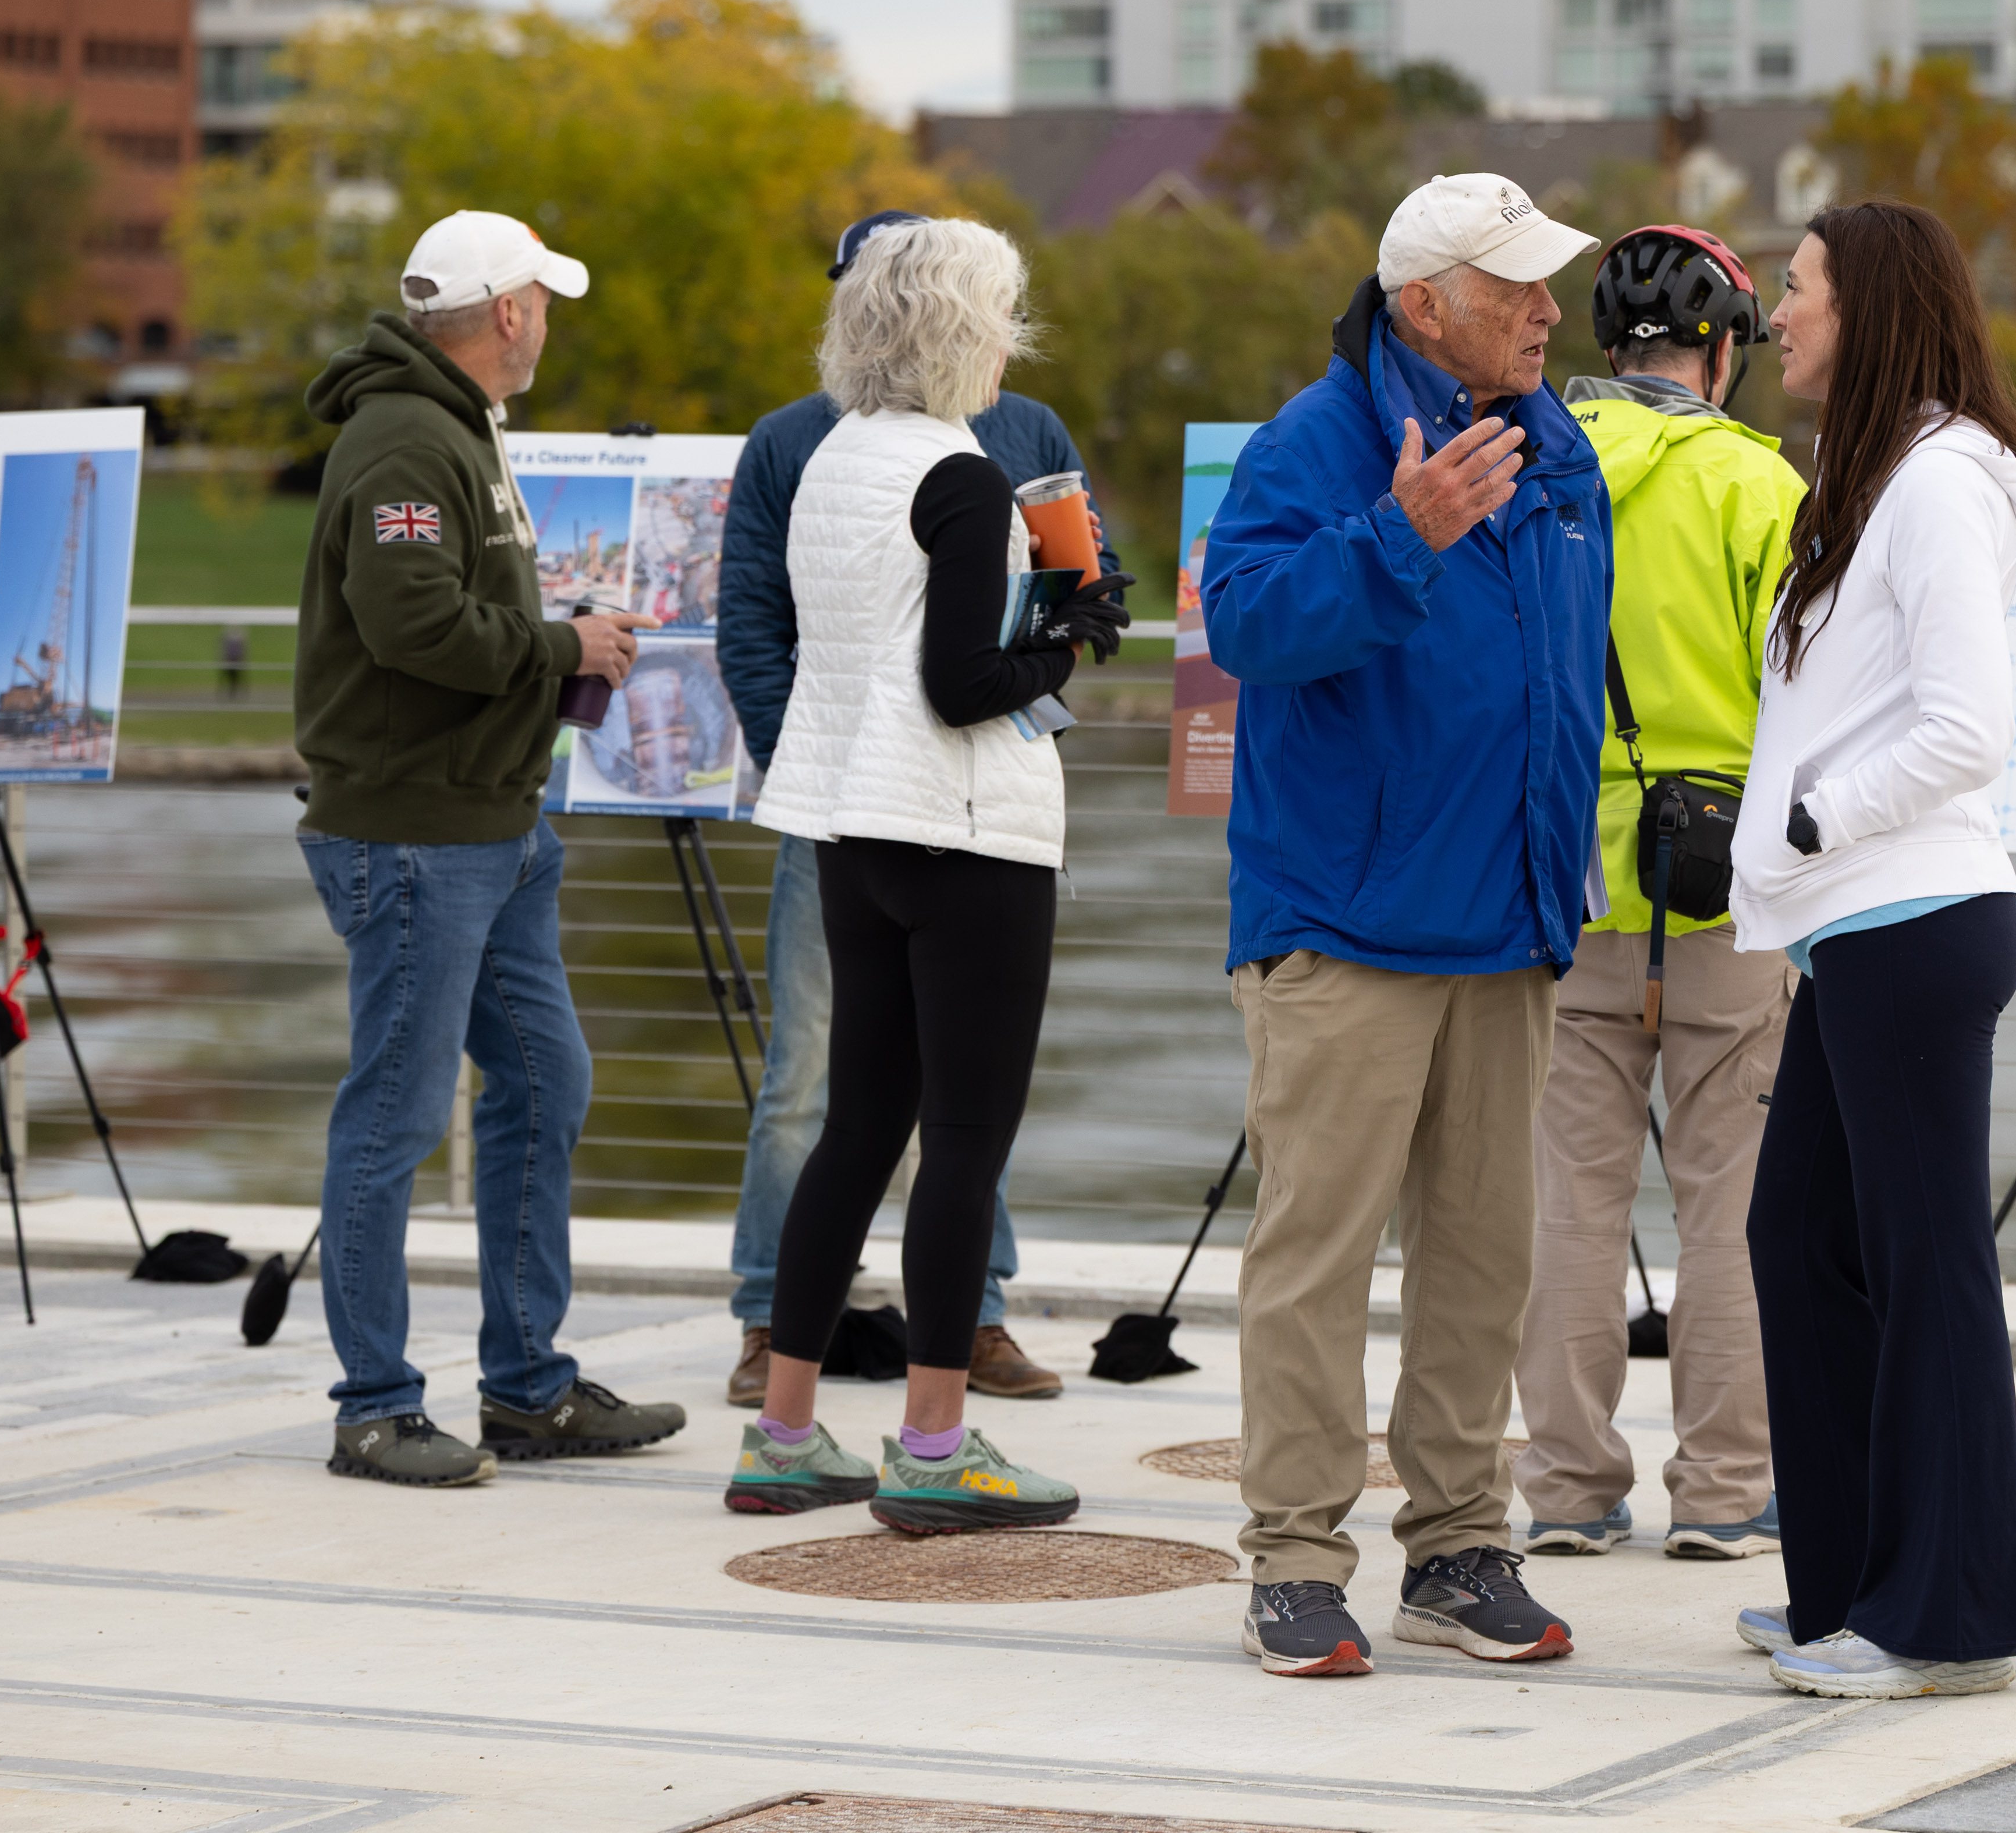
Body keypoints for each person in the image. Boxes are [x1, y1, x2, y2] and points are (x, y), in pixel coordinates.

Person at [1200, 172, 1610, 1678]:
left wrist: (1565, 879)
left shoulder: (1564, 457)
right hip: (1345, 931)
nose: (1548, 309)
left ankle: (1456, 1548)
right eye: (1516, 288)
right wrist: (1397, 534)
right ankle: (1297, 1563)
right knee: (1314, 1259)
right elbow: (1239, 627)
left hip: (1510, 925)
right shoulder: (1309, 446)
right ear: (1426, 302)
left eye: (1547, 284)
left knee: (1488, 1261)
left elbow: (1561, 688)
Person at [726, 215, 1130, 1529]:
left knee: (857, 1127)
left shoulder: (833, 454)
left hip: (852, 829)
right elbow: (965, 684)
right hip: (965, 833)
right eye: (1004, 315)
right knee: (964, 1140)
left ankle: (786, 1431)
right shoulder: (960, 476)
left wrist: (1035, 614)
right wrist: (1067, 636)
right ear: (964, 328)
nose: (1015, 339)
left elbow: (887, 636)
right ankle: (938, 1444)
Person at [1724, 199, 2016, 1700]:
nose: (1774, 317)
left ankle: (1945, 1620)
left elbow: (1963, 730)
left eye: (1794, 289)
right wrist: (1808, 889)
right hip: (1858, 932)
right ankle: (1853, 1585)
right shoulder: (1871, 480)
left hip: (1914, 918)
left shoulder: (1937, 484)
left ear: (1864, 305)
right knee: (1797, 1242)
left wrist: (1815, 829)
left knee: (1930, 1268)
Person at [293, 208, 687, 1488]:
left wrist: (547, 629)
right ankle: (375, 1408)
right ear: (508, 309)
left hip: (494, 822)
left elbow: (450, 611)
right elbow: (411, 625)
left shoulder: (453, 427)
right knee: (395, 1116)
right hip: (416, 834)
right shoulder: (407, 437)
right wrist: (562, 647)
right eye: (545, 300)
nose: (549, 320)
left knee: (545, 1080)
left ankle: (528, 1389)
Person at [1516, 225, 1800, 1563]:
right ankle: (1728, 1492)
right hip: (1729, 878)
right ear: (1724, 351)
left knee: (1570, 1193)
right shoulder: (1759, 486)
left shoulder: (1535, 468)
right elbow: (1803, 693)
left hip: (1569, 879)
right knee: (1729, 1198)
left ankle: (1569, 1488)